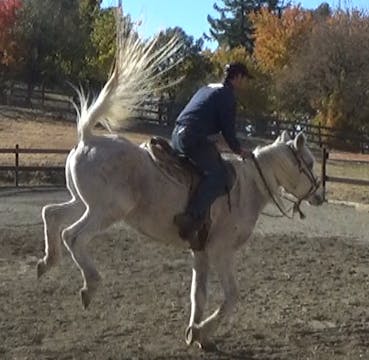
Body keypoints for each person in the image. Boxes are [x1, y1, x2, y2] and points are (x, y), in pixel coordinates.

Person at [171, 62, 253, 247]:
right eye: (245, 78)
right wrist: (239, 150)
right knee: (220, 175)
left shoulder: (207, 88)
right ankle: (191, 218)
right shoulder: (227, 96)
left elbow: (199, 116)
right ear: (238, 77)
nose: (246, 83)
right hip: (192, 138)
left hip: (177, 135)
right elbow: (228, 131)